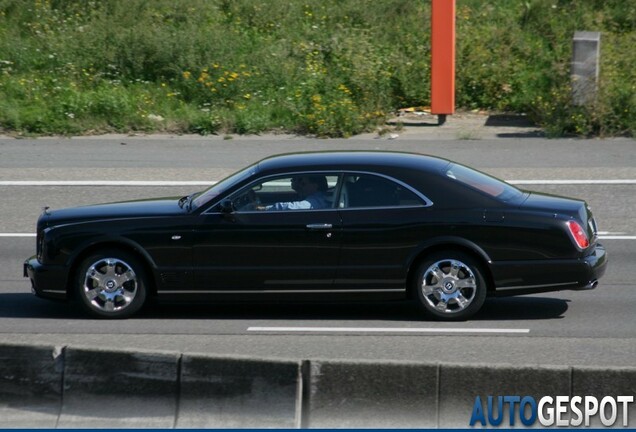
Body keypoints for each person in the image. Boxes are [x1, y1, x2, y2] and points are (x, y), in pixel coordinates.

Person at [259, 175, 329, 210]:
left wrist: (265, 208)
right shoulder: (318, 196)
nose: (300, 186)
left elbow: (292, 207)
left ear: (314, 186)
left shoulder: (316, 201)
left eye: (303, 184)